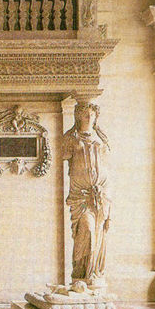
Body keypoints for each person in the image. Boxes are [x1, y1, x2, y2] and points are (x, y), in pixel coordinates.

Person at [62, 102, 111, 287]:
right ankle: (81, 273)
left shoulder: (101, 139)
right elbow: (64, 161)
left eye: (91, 114)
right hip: (80, 197)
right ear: (78, 117)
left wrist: (107, 197)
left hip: (101, 197)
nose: (89, 118)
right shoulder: (70, 138)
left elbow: (106, 169)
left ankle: (93, 277)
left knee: (99, 236)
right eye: (85, 114)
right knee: (87, 230)